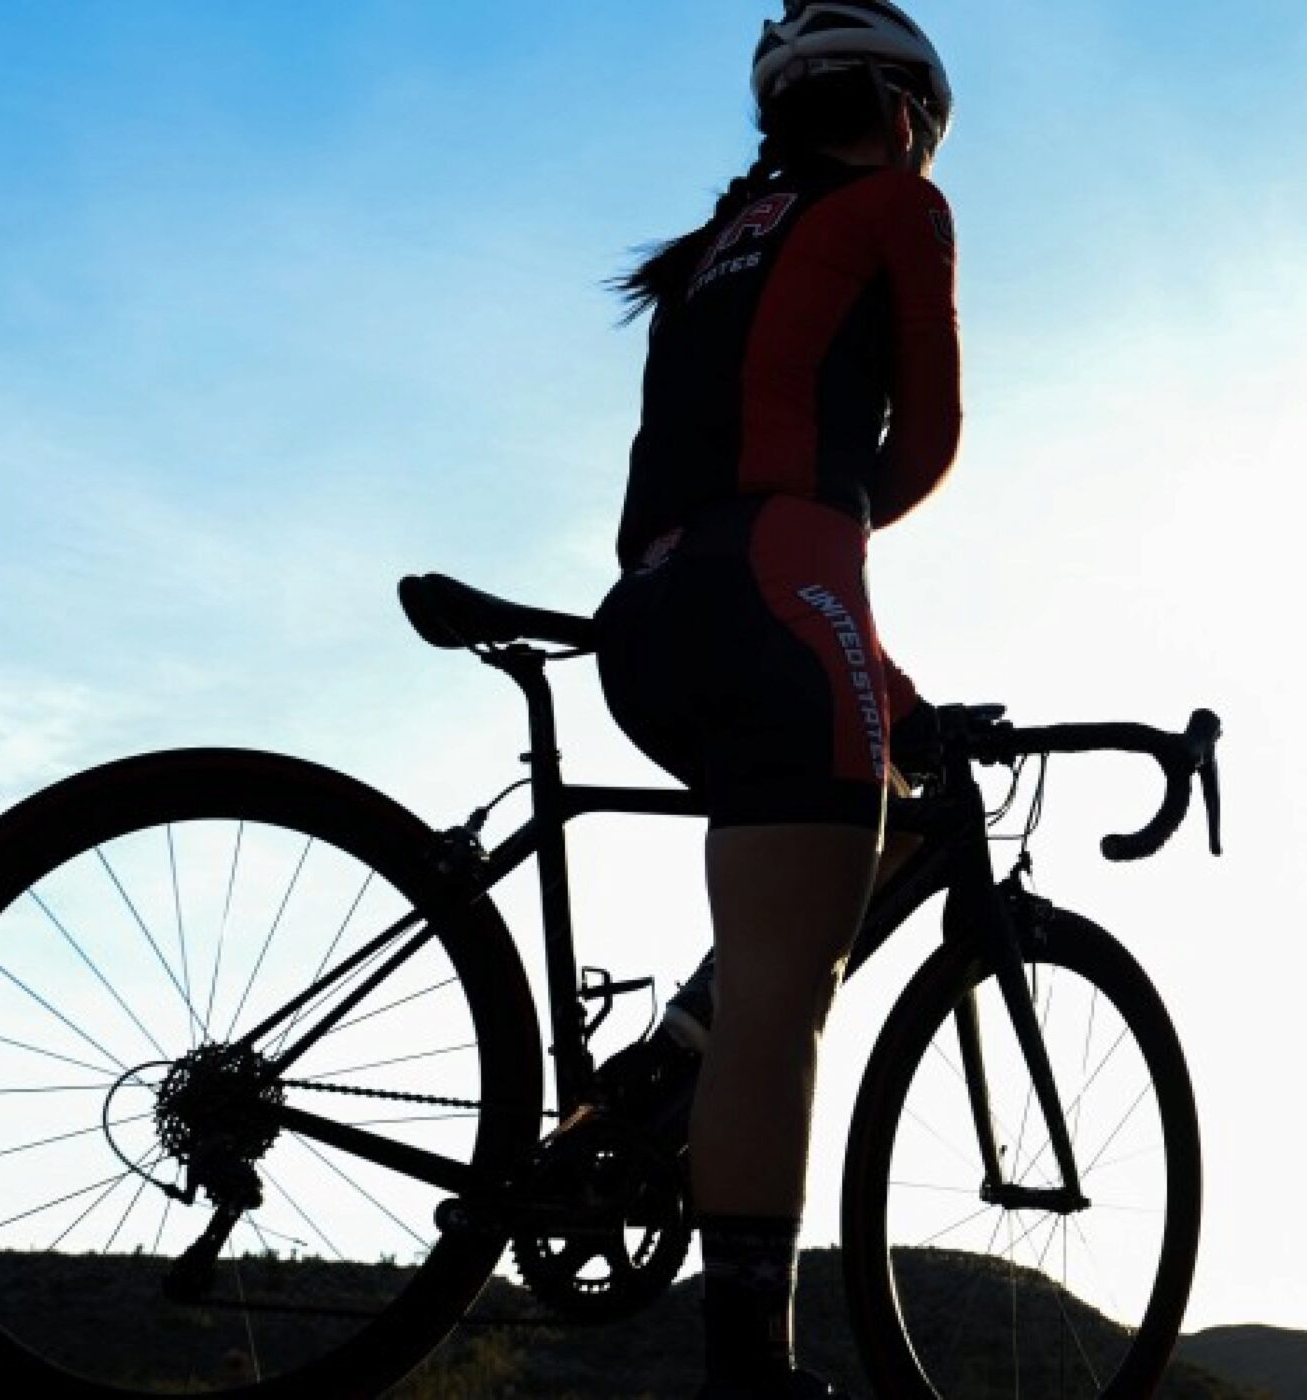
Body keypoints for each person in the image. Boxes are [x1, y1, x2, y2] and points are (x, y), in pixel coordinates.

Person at [593, 3, 961, 1396]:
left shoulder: (708, 247)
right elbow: (925, 444)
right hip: (781, 594)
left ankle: (663, 1073)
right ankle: (750, 1373)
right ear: (904, 116)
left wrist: (890, 693)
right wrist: (841, 503)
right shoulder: (896, 205)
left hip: (648, 612)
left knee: (862, 814)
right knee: (781, 993)